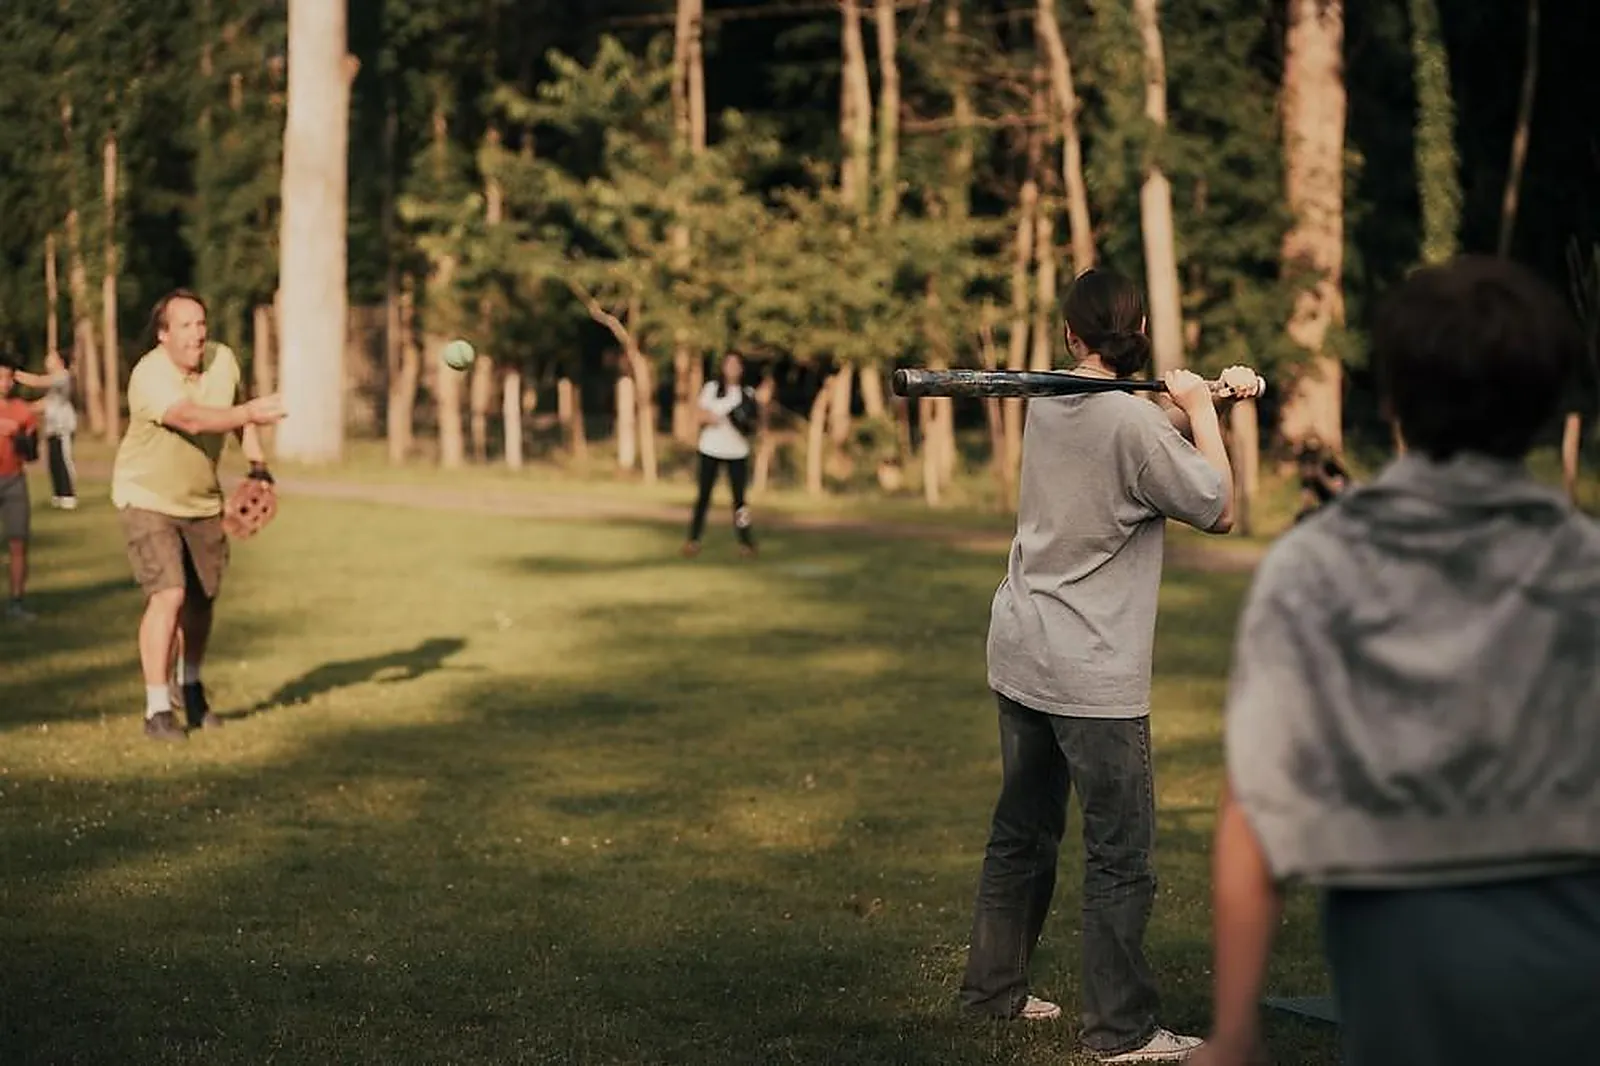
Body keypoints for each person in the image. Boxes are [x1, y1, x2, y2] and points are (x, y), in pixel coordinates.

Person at [1193, 255, 1600, 1066]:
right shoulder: (1586, 566)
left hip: (1398, 953)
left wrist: (1234, 1033)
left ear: (1392, 398)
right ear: (1551, 405)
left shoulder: (1317, 567)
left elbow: (1256, 805)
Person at [960, 268, 1262, 1064]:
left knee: (1020, 833)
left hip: (1022, 646)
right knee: (1120, 856)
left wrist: (1200, 405)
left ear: (1071, 337)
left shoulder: (1049, 401)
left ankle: (994, 989)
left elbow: (1135, 435)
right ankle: (1122, 1032)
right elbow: (1220, 508)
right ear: (1138, 333)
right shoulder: (1131, 425)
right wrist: (1203, 412)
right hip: (1091, 673)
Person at [112, 289, 285, 741]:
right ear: (164, 335)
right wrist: (248, 411)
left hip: (202, 502)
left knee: (201, 602)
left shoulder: (223, 360)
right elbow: (190, 419)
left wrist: (258, 465)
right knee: (169, 593)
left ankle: (190, 687)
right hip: (146, 496)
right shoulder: (150, 374)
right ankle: (156, 710)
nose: (198, 333)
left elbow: (236, 414)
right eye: (186, 326)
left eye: (202, 323)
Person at [682, 352, 758, 558]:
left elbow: (755, 423)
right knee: (703, 497)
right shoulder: (712, 389)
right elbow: (698, 415)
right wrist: (712, 417)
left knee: (740, 502)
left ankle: (746, 542)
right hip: (711, 449)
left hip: (737, 452)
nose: (732, 368)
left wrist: (743, 422)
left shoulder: (748, 393)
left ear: (742, 369)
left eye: (736, 365)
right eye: (729, 364)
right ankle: (693, 539)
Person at [0, 356, 41, 621]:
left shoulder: (21, 410)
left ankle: (16, 602)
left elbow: (33, 453)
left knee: (18, 543)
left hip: (14, 480)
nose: (4, 383)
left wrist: (19, 436)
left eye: (7, 377)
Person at [14, 350, 79, 509]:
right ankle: (59, 495)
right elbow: (42, 404)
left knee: (63, 460)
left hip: (63, 427)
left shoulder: (63, 376)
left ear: (60, 362)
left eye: (51, 358)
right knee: (53, 462)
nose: (47, 361)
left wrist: (12, 374)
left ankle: (69, 495)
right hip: (52, 428)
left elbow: (37, 381)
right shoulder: (54, 387)